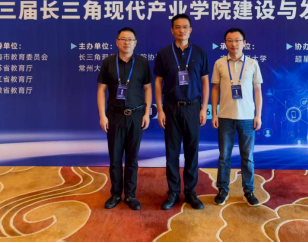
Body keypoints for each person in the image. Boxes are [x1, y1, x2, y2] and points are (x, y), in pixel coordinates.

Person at [154, 14, 210, 210]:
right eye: (177, 27)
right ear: (172, 30)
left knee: (192, 151)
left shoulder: (200, 52)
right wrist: (160, 109)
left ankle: (191, 192)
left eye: (185, 27)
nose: (181, 30)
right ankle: (173, 192)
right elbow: (158, 82)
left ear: (190, 30)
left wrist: (204, 107)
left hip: (193, 107)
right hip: (170, 107)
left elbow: (205, 81)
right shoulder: (164, 53)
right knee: (172, 152)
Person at [97, 27, 152, 211]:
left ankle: (130, 195)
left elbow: (148, 88)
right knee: (115, 157)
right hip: (114, 115)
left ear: (135, 43)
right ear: (117, 42)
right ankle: (115, 194)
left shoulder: (142, 63)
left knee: (132, 158)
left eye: (130, 39)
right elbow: (101, 90)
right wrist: (102, 115)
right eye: (123, 39)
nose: (127, 42)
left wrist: (146, 113)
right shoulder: (108, 62)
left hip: (136, 115)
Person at [211, 28, 263, 207]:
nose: (234, 44)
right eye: (230, 40)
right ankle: (222, 190)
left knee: (247, 157)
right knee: (224, 156)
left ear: (244, 43)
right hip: (225, 117)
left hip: (247, 118)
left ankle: (249, 191)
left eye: (237, 40)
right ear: (225, 43)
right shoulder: (219, 63)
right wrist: (214, 113)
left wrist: (258, 115)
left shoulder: (253, 64)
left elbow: (258, 90)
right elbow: (215, 89)